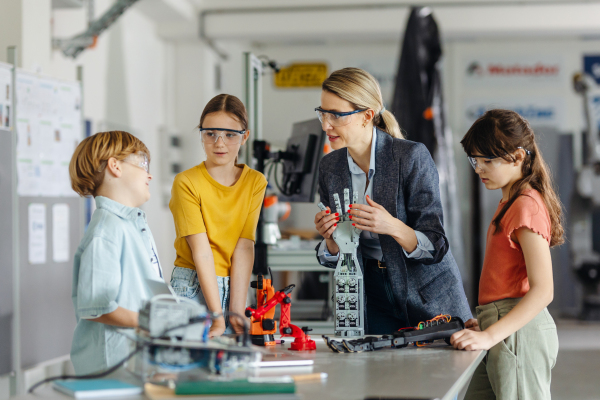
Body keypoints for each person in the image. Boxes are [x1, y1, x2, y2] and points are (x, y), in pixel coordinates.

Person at [313, 67, 472, 334]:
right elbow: (336, 256)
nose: (326, 125)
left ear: (366, 116)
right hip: (370, 294)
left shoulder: (411, 157)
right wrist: (331, 240)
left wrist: (391, 225)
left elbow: (436, 245)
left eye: (337, 115)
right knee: (380, 374)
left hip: (425, 292)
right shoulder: (330, 167)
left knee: (438, 373)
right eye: (323, 113)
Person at [451, 109, 561, 400]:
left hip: (519, 335)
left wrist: (490, 334)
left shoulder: (526, 205)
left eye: (488, 160)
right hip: (501, 327)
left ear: (518, 157)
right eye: (475, 160)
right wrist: (487, 320)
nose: (479, 169)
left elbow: (544, 290)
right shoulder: (509, 203)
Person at [169, 94, 267, 337]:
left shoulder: (255, 182)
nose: (219, 143)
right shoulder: (187, 182)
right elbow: (200, 251)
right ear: (201, 135)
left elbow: (244, 246)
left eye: (230, 135)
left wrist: (235, 308)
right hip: (192, 285)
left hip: (233, 284)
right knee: (191, 368)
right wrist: (217, 317)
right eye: (210, 134)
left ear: (245, 137)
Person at [69, 131, 162, 375]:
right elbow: (98, 306)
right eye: (143, 163)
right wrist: (153, 322)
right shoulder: (107, 229)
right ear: (115, 166)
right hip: (111, 367)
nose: (149, 174)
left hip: (133, 360)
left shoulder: (130, 224)